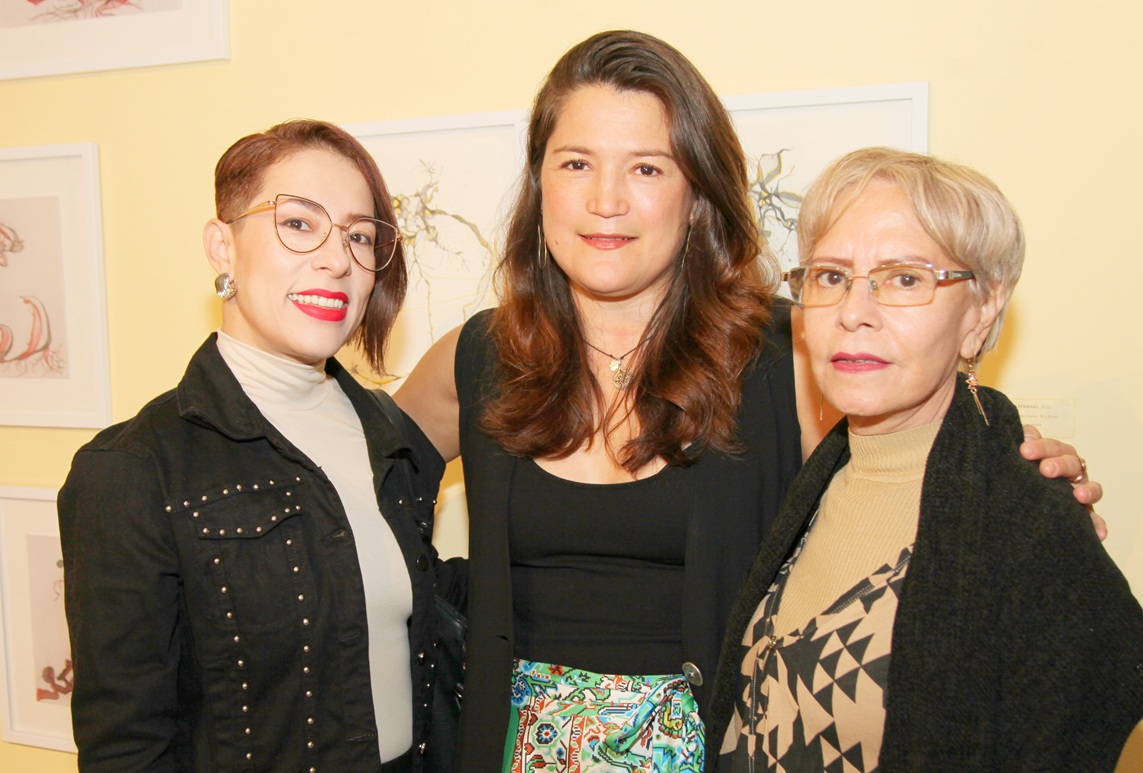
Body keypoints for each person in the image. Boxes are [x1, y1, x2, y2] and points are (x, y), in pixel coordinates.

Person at [395, 31, 1102, 772]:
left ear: (696, 193)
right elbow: (353, 496)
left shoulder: (789, 352)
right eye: (575, 163)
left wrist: (1024, 486)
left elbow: (914, 459)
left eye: (646, 166)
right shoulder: (476, 357)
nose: (605, 200)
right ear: (540, 183)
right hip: (512, 750)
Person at [707, 147, 1143, 771]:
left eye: (905, 279)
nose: (854, 313)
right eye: (831, 276)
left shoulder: (1025, 522)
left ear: (982, 310)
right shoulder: (816, 480)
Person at [58, 119, 462, 772]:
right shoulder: (134, 470)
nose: (337, 259)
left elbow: (408, 606)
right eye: (299, 223)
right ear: (222, 246)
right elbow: (126, 744)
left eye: (359, 236)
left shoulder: (386, 439)